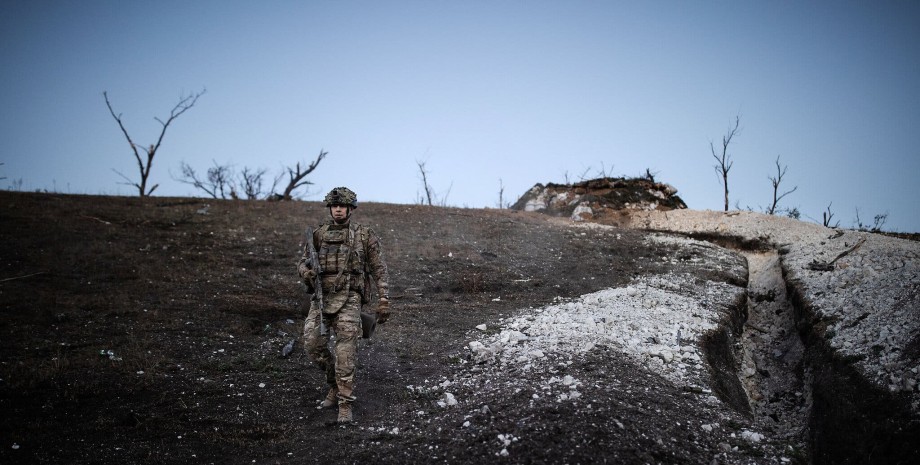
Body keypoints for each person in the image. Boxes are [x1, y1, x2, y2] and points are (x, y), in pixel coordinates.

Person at [298, 186, 390, 423]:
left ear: (350, 208)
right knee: (312, 344)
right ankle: (334, 384)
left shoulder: (364, 235)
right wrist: (306, 272)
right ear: (330, 208)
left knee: (345, 352)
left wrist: (383, 299)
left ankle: (345, 404)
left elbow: (379, 269)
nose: (338, 210)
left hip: (350, 297)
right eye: (334, 206)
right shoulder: (318, 235)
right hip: (321, 297)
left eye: (342, 206)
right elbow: (302, 263)